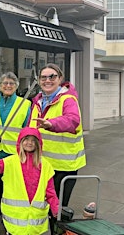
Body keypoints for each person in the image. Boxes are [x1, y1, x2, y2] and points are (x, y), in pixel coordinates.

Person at [28, 63, 86, 233]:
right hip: (41, 165)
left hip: (63, 167)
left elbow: (72, 120)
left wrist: (51, 123)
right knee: (41, 206)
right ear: (39, 80)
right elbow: (30, 129)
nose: (48, 80)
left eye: (52, 76)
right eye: (43, 77)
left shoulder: (68, 100)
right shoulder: (37, 102)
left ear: (60, 79)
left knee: (58, 211)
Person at [0, 127, 59, 235]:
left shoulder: (45, 166)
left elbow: (50, 192)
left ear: (38, 144)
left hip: (36, 222)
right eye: (26, 139)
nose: (29, 143)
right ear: (20, 141)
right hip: (14, 222)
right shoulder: (10, 162)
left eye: (33, 140)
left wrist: (56, 210)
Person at [0, 72, 31, 224]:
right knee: (0, 183)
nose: (8, 86)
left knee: (15, 183)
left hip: (15, 152)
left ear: (16, 86)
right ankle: (1, 210)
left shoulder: (24, 104)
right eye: (5, 83)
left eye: (12, 83)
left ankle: (15, 210)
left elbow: (27, 130)